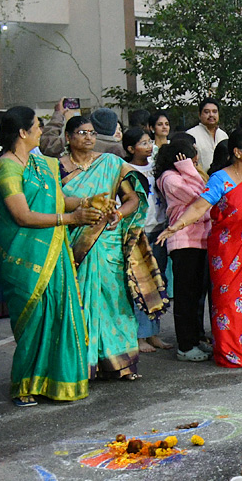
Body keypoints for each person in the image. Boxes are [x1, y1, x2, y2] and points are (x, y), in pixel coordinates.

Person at [0, 106, 103, 407]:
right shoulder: (7, 167)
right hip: (25, 254)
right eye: (38, 126)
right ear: (23, 132)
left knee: (58, 313)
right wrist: (72, 219)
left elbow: (59, 199)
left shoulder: (42, 164)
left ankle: (55, 382)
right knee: (35, 318)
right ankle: (25, 384)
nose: (42, 130)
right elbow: (22, 215)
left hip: (55, 254)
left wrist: (89, 202)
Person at [164, 129, 242, 367]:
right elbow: (201, 206)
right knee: (228, 302)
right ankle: (230, 350)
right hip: (226, 251)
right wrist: (177, 225)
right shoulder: (220, 178)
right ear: (237, 152)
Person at [60, 116, 150, 379]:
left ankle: (119, 363)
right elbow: (55, 201)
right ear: (68, 137)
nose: (88, 137)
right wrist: (85, 205)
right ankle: (82, 364)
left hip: (107, 242)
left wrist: (118, 215)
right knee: (78, 301)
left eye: (91, 132)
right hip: (76, 239)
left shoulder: (110, 163)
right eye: (81, 132)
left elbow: (133, 199)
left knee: (114, 301)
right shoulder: (58, 168)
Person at [154, 137, 212, 361]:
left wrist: (189, 169)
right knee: (186, 296)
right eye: (191, 157)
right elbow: (201, 197)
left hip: (200, 239)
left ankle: (195, 339)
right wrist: (188, 168)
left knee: (197, 295)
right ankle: (185, 347)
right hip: (183, 242)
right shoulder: (169, 179)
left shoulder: (182, 175)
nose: (195, 161)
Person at [122, 126, 171, 353]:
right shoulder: (126, 170)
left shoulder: (157, 167)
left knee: (157, 283)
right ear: (131, 148)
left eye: (149, 141)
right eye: (142, 143)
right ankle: (139, 335)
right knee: (140, 285)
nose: (149, 145)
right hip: (138, 231)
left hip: (158, 228)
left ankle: (153, 333)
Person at [188, 98, 228, 171]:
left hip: (222, 181)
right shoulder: (191, 134)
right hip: (200, 180)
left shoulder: (223, 135)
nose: (211, 115)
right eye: (207, 112)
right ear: (199, 115)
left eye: (214, 112)